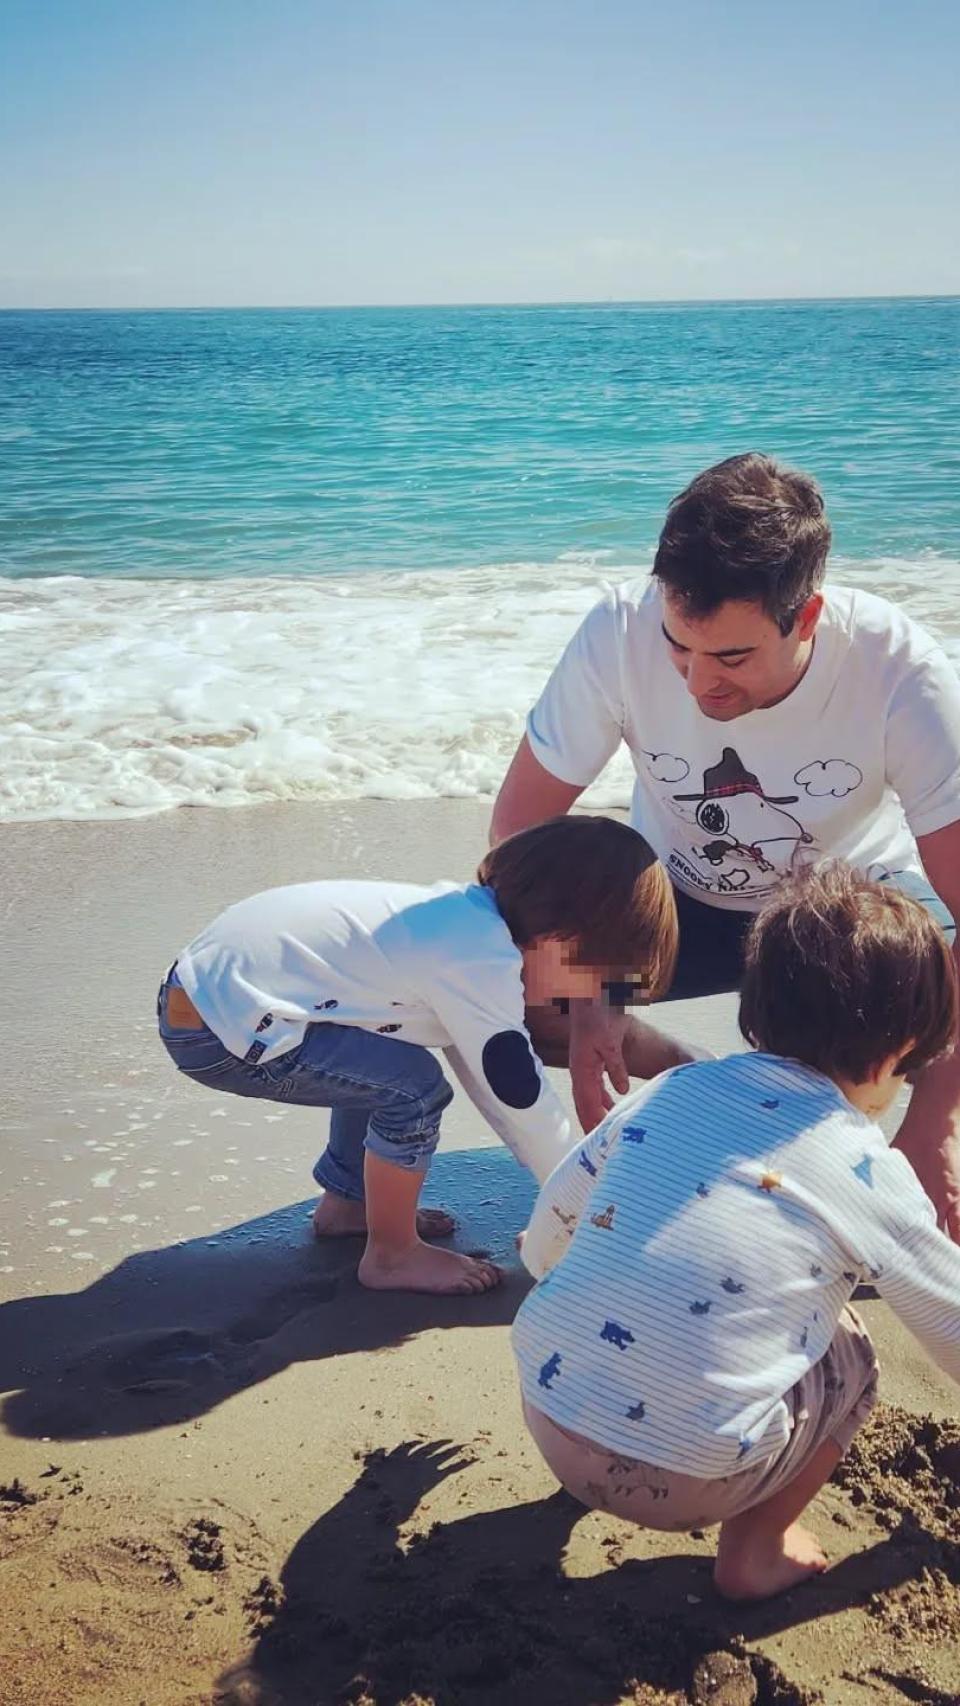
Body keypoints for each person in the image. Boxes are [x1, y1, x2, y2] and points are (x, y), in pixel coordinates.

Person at [491, 453, 960, 1236]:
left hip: (843, 910)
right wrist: (591, 991)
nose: (698, 684)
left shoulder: (901, 671)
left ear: (804, 618)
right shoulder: (618, 629)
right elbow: (518, 835)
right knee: (509, 987)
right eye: (680, 646)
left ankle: (854, 1139)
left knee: (914, 996)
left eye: (733, 657)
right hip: (676, 899)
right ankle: (690, 1082)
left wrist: (937, 1124)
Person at [511, 865, 960, 1602]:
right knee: (849, 1350)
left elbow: (558, 1216)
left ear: (756, 1013)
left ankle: (604, 1438)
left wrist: (551, 1269)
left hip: (551, 1419)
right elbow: (949, 1318)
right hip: (693, 1481)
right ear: (898, 1050)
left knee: (618, 1256)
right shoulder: (864, 1165)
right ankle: (757, 1548)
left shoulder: (680, 1088)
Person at [157, 815, 678, 1295]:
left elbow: (486, 1076)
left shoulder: (459, 923)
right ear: (563, 940)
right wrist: (575, 1202)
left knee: (382, 1065)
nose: (577, 1004)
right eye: (596, 983)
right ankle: (391, 1253)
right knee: (414, 1090)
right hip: (225, 1024)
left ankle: (349, 1203)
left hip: (205, 1000)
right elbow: (519, 1096)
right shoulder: (481, 960)